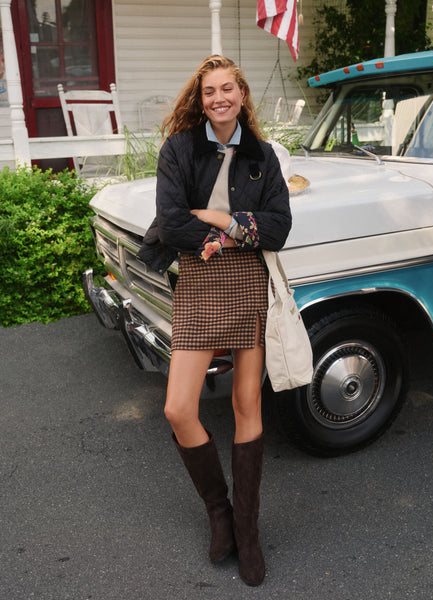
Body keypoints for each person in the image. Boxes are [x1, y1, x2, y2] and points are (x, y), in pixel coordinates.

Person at [138, 55, 291, 586]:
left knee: (247, 403)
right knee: (178, 408)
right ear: (200, 100)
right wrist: (223, 234)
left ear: (242, 95)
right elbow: (171, 221)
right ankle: (219, 512)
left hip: (247, 279)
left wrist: (222, 221)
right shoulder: (179, 149)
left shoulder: (263, 156)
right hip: (199, 281)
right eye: (210, 91)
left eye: (228, 89)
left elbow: (279, 228)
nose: (219, 98)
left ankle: (246, 533)